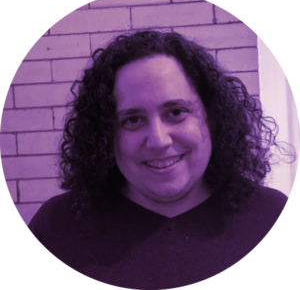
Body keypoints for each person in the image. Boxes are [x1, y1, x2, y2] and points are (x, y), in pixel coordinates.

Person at [27, 30, 295, 289]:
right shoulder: (57, 228)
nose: (158, 140)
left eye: (176, 112)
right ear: (105, 132)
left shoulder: (269, 217)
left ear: (212, 117)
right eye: (132, 120)